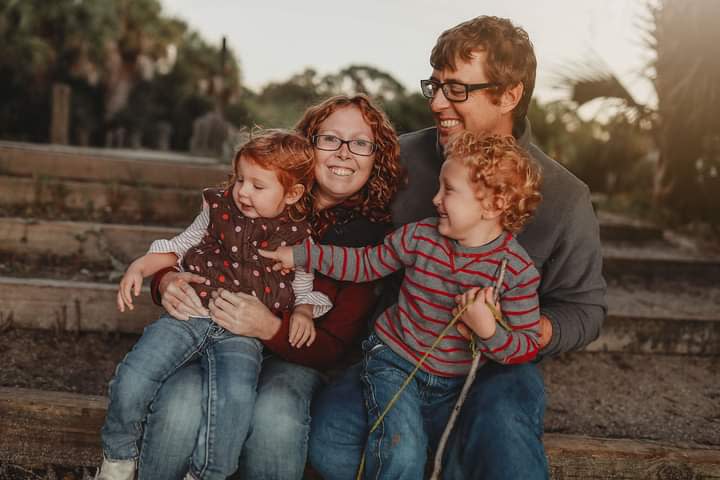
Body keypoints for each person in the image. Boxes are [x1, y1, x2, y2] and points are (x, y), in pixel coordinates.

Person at [308, 15, 607, 480]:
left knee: (505, 439)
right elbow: (318, 203)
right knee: (327, 442)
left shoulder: (565, 197)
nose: (438, 103)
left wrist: (511, 332)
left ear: (509, 95)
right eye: (436, 86)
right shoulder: (399, 158)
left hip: (495, 365)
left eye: (458, 90)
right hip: (398, 351)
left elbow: (585, 309)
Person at [131, 95, 403, 480]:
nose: (344, 153)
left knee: (277, 412)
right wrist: (166, 281)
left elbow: (333, 348)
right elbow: (195, 245)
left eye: (360, 143)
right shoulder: (259, 192)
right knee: (182, 401)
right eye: (329, 139)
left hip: (294, 360)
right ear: (306, 146)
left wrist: (269, 328)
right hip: (216, 333)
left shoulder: (369, 242)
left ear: (376, 157)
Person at [261, 132, 543, 478]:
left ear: (494, 204)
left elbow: (525, 345)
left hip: (455, 383)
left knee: (456, 458)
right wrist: (302, 254)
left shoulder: (515, 272)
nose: (436, 198)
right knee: (402, 448)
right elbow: (365, 264)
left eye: (449, 190)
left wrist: (488, 330)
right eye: (439, 186)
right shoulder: (420, 237)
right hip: (394, 362)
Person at [98, 130, 333, 480]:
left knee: (235, 399)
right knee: (135, 374)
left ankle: (208, 473)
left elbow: (304, 289)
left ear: (293, 193)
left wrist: (303, 311)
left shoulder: (297, 239)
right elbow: (178, 246)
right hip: (189, 314)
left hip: (241, 334)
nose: (243, 192)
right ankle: (118, 457)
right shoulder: (218, 210)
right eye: (240, 179)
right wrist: (142, 267)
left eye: (257, 185)